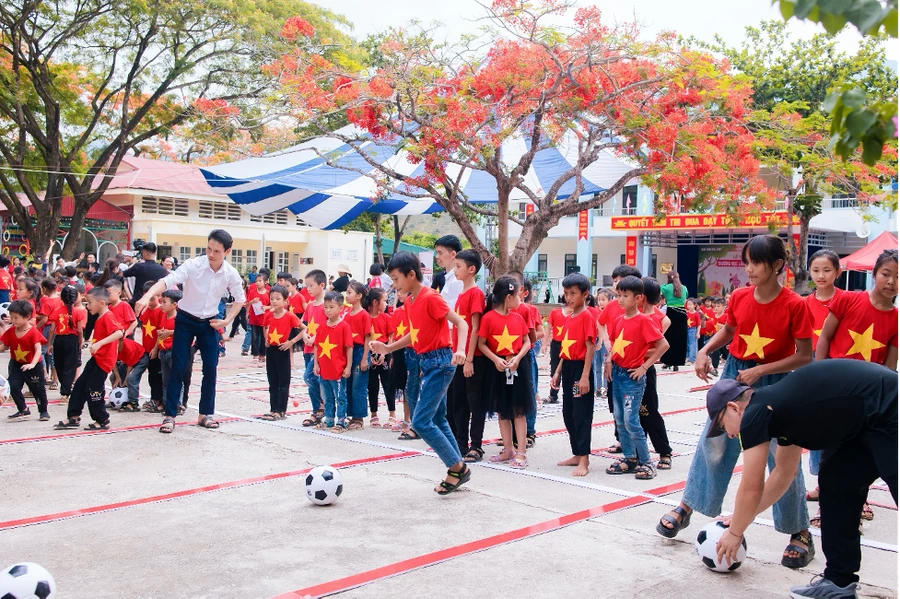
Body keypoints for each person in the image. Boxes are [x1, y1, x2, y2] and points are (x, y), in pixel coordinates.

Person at [656, 234, 815, 570]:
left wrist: (763, 371)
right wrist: (703, 350)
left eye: (756, 262)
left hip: (776, 382)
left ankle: (799, 530)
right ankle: (688, 506)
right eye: (746, 262)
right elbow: (729, 331)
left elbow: (805, 356)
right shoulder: (741, 296)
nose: (749, 269)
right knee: (713, 442)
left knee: (779, 456)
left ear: (777, 266)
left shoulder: (795, 304)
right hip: (735, 376)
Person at [704, 361, 900, 599]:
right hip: (862, 424)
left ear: (734, 407)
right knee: (836, 487)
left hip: (890, 407)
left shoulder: (755, 414)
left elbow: (751, 486)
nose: (731, 434)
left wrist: (735, 533)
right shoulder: (780, 410)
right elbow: (782, 475)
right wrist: (742, 516)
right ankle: (839, 583)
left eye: (724, 426)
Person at [369, 251, 471, 495]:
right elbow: (414, 335)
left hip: (441, 362)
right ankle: (459, 467)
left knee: (421, 422)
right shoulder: (411, 302)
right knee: (437, 419)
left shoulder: (430, 297)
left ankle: (456, 467)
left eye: (396, 279)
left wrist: (459, 350)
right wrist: (388, 348)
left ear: (411, 275)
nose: (394, 286)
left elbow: (461, 323)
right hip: (428, 363)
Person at [134, 229, 246, 433]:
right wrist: (145, 296)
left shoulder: (230, 273)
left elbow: (240, 298)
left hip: (209, 323)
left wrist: (227, 321)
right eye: (209, 248)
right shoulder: (194, 265)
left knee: (210, 368)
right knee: (178, 366)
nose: (211, 254)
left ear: (227, 251)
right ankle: (169, 415)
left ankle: (205, 414)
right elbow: (167, 281)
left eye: (217, 251)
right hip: (185, 319)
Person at [603, 276, 669, 480]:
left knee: (632, 421)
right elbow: (615, 346)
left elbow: (663, 345)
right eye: (619, 295)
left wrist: (644, 367)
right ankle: (630, 458)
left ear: (638, 297)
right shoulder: (617, 321)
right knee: (620, 419)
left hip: (633, 377)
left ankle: (647, 462)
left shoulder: (645, 321)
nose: (620, 300)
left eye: (625, 296)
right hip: (618, 374)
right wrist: (609, 361)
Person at [478, 276, 533, 469]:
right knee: (502, 411)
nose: (520, 299)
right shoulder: (488, 318)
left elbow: (527, 341)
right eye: (518, 295)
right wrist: (495, 359)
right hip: (498, 370)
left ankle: (521, 452)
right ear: (509, 297)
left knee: (519, 411)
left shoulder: (518, 318)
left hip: (517, 368)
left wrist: (517, 358)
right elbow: (481, 344)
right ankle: (508, 449)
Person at [802, 249, 843, 507]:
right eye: (816, 270)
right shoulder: (804, 303)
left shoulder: (848, 300)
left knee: (842, 427)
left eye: (827, 270)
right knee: (817, 425)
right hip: (811, 369)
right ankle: (821, 481)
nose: (821, 275)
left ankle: (850, 486)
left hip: (839, 368)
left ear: (837, 272)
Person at [54, 287, 123, 430]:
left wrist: (100, 343)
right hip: (96, 359)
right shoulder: (100, 316)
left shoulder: (108, 316)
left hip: (104, 361)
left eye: (90, 302)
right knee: (80, 386)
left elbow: (119, 333)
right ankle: (73, 416)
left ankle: (102, 419)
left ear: (102, 303)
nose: (88, 306)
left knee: (94, 390)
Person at [550, 272, 596, 477]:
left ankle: (584, 459)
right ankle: (576, 453)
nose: (568, 298)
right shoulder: (569, 317)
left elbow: (590, 348)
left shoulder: (587, 317)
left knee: (581, 414)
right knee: (568, 413)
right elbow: (564, 348)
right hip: (567, 368)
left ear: (585, 294)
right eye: (566, 293)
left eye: (573, 293)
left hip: (579, 369)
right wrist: (557, 372)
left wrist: (585, 376)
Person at [597, 265, 641, 454]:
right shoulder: (613, 306)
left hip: (635, 366)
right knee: (617, 408)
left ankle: (646, 448)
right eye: (614, 281)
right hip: (615, 362)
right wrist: (607, 342)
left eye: (620, 281)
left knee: (638, 411)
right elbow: (600, 322)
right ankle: (623, 443)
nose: (616, 285)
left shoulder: (640, 305)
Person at [450, 250, 487, 461]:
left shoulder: (475, 294)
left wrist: (470, 358)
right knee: (459, 403)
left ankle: (476, 446)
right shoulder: (462, 293)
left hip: (472, 359)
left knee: (475, 403)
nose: (455, 270)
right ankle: (460, 443)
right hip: (459, 357)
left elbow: (475, 328)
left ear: (471, 269)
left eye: (458, 267)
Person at [637, 277, 674, 471]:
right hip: (628, 369)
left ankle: (664, 451)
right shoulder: (632, 314)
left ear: (641, 297)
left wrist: (637, 351)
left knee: (649, 411)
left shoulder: (662, 319)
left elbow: (659, 348)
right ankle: (637, 452)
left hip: (645, 369)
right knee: (631, 414)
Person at [260, 285, 304, 420]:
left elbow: (304, 329)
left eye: (278, 299)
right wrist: (266, 338)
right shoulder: (268, 315)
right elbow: (265, 327)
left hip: (282, 350)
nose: (274, 301)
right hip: (271, 350)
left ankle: (281, 410)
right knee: (272, 381)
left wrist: (291, 342)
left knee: (283, 382)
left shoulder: (290, 316)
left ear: (285, 301)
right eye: (272, 298)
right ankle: (273, 409)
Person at [0, 300, 48, 421]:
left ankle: (43, 411)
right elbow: (4, 346)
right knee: (13, 386)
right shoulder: (11, 331)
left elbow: (38, 350)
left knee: (38, 390)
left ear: (27, 317)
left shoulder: (33, 332)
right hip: (16, 364)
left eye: (16, 318)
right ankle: (23, 409)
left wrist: (32, 364)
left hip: (33, 366)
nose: (13, 320)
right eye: (11, 317)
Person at [314, 291, 353, 431]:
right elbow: (317, 346)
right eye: (326, 307)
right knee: (327, 397)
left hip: (338, 370)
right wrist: (316, 364)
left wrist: (348, 366)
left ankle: (341, 420)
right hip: (324, 369)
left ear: (340, 308)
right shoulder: (322, 326)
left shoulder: (344, 327)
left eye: (332, 307)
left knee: (340, 396)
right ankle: (329, 419)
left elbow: (349, 348)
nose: (328, 310)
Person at [125, 281, 163, 413]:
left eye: (152, 298)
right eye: (147, 298)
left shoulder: (160, 312)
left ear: (158, 296)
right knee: (151, 377)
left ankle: (158, 400)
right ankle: (154, 399)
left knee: (157, 376)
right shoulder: (145, 311)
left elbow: (160, 332)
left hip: (155, 350)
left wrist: (155, 348)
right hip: (146, 349)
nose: (150, 301)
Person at [47, 285, 86, 403]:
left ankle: (65, 389)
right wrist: (80, 341)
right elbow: (79, 330)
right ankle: (66, 392)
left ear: (62, 298)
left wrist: (49, 344)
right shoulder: (78, 312)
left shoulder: (57, 312)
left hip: (59, 340)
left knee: (59, 365)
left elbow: (51, 329)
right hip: (72, 340)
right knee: (70, 366)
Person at [365, 288, 396, 428]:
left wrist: (385, 352)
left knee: (388, 384)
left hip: (384, 352)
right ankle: (373, 414)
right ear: (375, 302)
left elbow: (391, 336)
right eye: (384, 301)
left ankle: (392, 414)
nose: (386, 303)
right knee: (372, 386)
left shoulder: (386, 318)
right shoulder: (365, 317)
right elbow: (364, 338)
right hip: (370, 353)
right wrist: (368, 355)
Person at [300, 270, 327, 428]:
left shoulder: (327, 305)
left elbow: (329, 327)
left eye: (311, 285)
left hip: (320, 349)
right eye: (306, 285)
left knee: (310, 377)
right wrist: (304, 334)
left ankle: (322, 408)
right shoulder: (310, 305)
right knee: (312, 382)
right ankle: (317, 410)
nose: (308, 289)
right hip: (308, 349)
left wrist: (316, 339)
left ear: (321, 285)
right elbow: (305, 324)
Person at [343, 280, 371, 430]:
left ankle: (358, 417)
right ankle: (350, 414)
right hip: (349, 351)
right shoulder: (347, 314)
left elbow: (367, 337)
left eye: (349, 293)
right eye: (346, 292)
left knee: (358, 386)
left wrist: (365, 357)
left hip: (360, 351)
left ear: (359, 295)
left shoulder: (364, 315)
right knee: (348, 384)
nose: (346, 295)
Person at [152, 289, 185, 415]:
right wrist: (157, 348)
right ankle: (167, 404)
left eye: (164, 302)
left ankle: (177, 405)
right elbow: (160, 333)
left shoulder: (179, 318)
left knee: (176, 379)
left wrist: (168, 333)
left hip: (174, 352)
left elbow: (183, 332)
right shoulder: (163, 316)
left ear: (174, 305)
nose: (161, 305)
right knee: (165, 381)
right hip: (164, 352)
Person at [121, 243, 167, 308]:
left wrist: (134, 262)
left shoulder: (139, 266)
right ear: (155, 254)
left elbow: (123, 274)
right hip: (155, 303)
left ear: (144, 253)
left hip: (139, 302)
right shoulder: (162, 270)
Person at [542, 302, 571, 405]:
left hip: (570, 344)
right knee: (555, 369)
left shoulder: (575, 314)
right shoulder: (555, 312)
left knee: (570, 371)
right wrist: (544, 344)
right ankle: (553, 395)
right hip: (556, 344)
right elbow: (548, 328)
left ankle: (570, 395)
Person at [660, 271, 687, 371]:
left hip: (671, 312)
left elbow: (658, 292)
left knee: (668, 337)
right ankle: (677, 363)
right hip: (682, 313)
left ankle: (667, 361)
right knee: (680, 339)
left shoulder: (665, 287)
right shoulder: (684, 288)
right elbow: (685, 298)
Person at [246, 267, 271, 362]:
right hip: (254, 318)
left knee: (264, 337)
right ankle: (255, 355)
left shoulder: (268, 293)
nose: (258, 283)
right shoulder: (252, 292)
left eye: (260, 281)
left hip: (265, 319)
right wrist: (251, 303)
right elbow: (247, 303)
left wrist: (266, 307)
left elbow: (272, 305)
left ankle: (262, 354)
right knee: (255, 338)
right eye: (256, 281)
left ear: (265, 282)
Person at [685, 297, 700, 365]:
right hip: (686, 329)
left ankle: (692, 359)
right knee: (687, 344)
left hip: (693, 330)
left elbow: (699, 324)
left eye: (690, 304)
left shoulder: (696, 314)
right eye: (688, 304)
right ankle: (687, 357)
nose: (689, 306)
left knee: (692, 344)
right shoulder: (686, 313)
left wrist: (698, 333)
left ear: (695, 305)